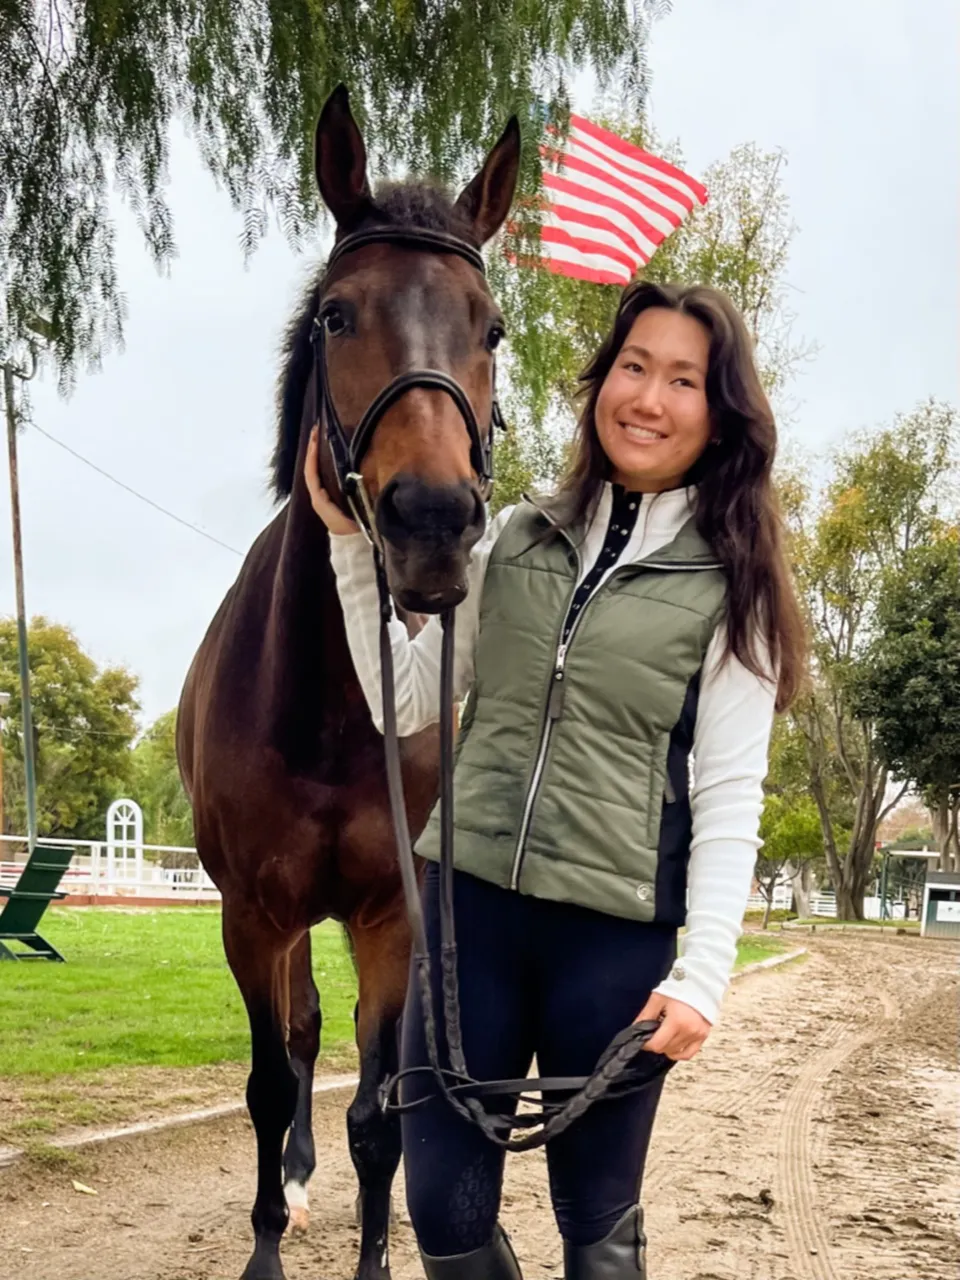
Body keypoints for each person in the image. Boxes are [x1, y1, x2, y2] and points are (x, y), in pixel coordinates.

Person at [305, 279, 806, 1280]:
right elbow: (409, 699)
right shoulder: (517, 537)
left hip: (612, 944)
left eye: (682, 379)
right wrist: (351, 547)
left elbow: (728, 789)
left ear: (721, 412)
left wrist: (704, 970)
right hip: (466, 917)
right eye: (632, 366)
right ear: (599, 384)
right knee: (443, 1219)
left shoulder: (732, 583)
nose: (648, 398)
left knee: (597, 1226)